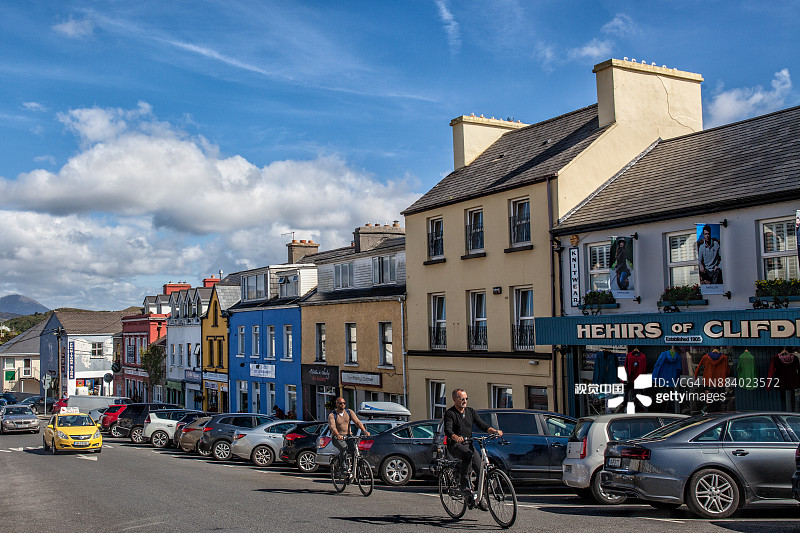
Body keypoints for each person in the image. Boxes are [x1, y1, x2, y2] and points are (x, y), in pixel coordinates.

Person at [443, 388, 503, 509]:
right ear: (455, 400)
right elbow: (448, 430)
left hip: (468, 443)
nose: (464, 401)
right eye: (462, 399)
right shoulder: (450, 413)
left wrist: (494, 431)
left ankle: (479, 496)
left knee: (481, 469)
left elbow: (482, 425)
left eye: (466, 399)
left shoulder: (470, 411)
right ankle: (464, 487)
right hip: (455, 445)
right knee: (467, 455)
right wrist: (455, 437)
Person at [328, 397, 369, 473]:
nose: (342, 405)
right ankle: (343, 466)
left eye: (344, 403)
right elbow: (332, 427)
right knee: (344, 447)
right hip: (337, 437)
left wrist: (364, 431)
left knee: (354, 450)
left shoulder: (349, 412)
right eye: (340, 403)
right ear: (337, 404)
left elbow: (357, 422)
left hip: (348, 435)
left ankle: (355, 469)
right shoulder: (332, 415)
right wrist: (337, 435)